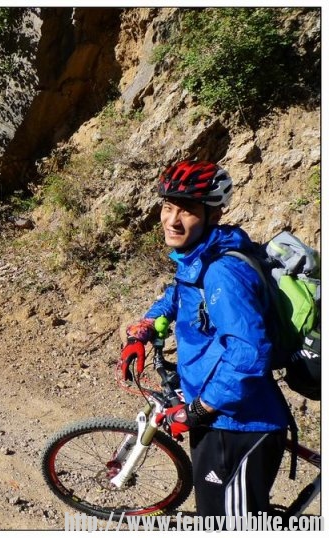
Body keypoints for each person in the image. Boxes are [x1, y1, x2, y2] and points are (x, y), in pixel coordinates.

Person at [120, 159, 290, 518]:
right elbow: (178, 294)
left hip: (238, 425)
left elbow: (248, 355)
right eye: (168, 207)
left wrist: (199, 410)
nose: (172, 220)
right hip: (217, 416)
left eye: (187, 211)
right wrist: (144, 327)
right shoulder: (200, 258)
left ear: (214, 215)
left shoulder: (223, 272)